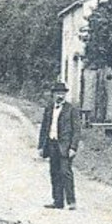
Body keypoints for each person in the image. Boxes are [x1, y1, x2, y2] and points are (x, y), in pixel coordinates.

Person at [36, 80, 80, 209]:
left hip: (65, 147)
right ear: (53, 95)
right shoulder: (49, 109)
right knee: (54, 172)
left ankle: (71, 202)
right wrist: (40, 146)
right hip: (52, 144)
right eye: (58, 93)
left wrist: (73, 147)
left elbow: (77, 130)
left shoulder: (71, 109)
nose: (60, 96)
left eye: (62, 94)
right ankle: (58, 201)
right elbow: (44, 128)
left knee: (66, 172)